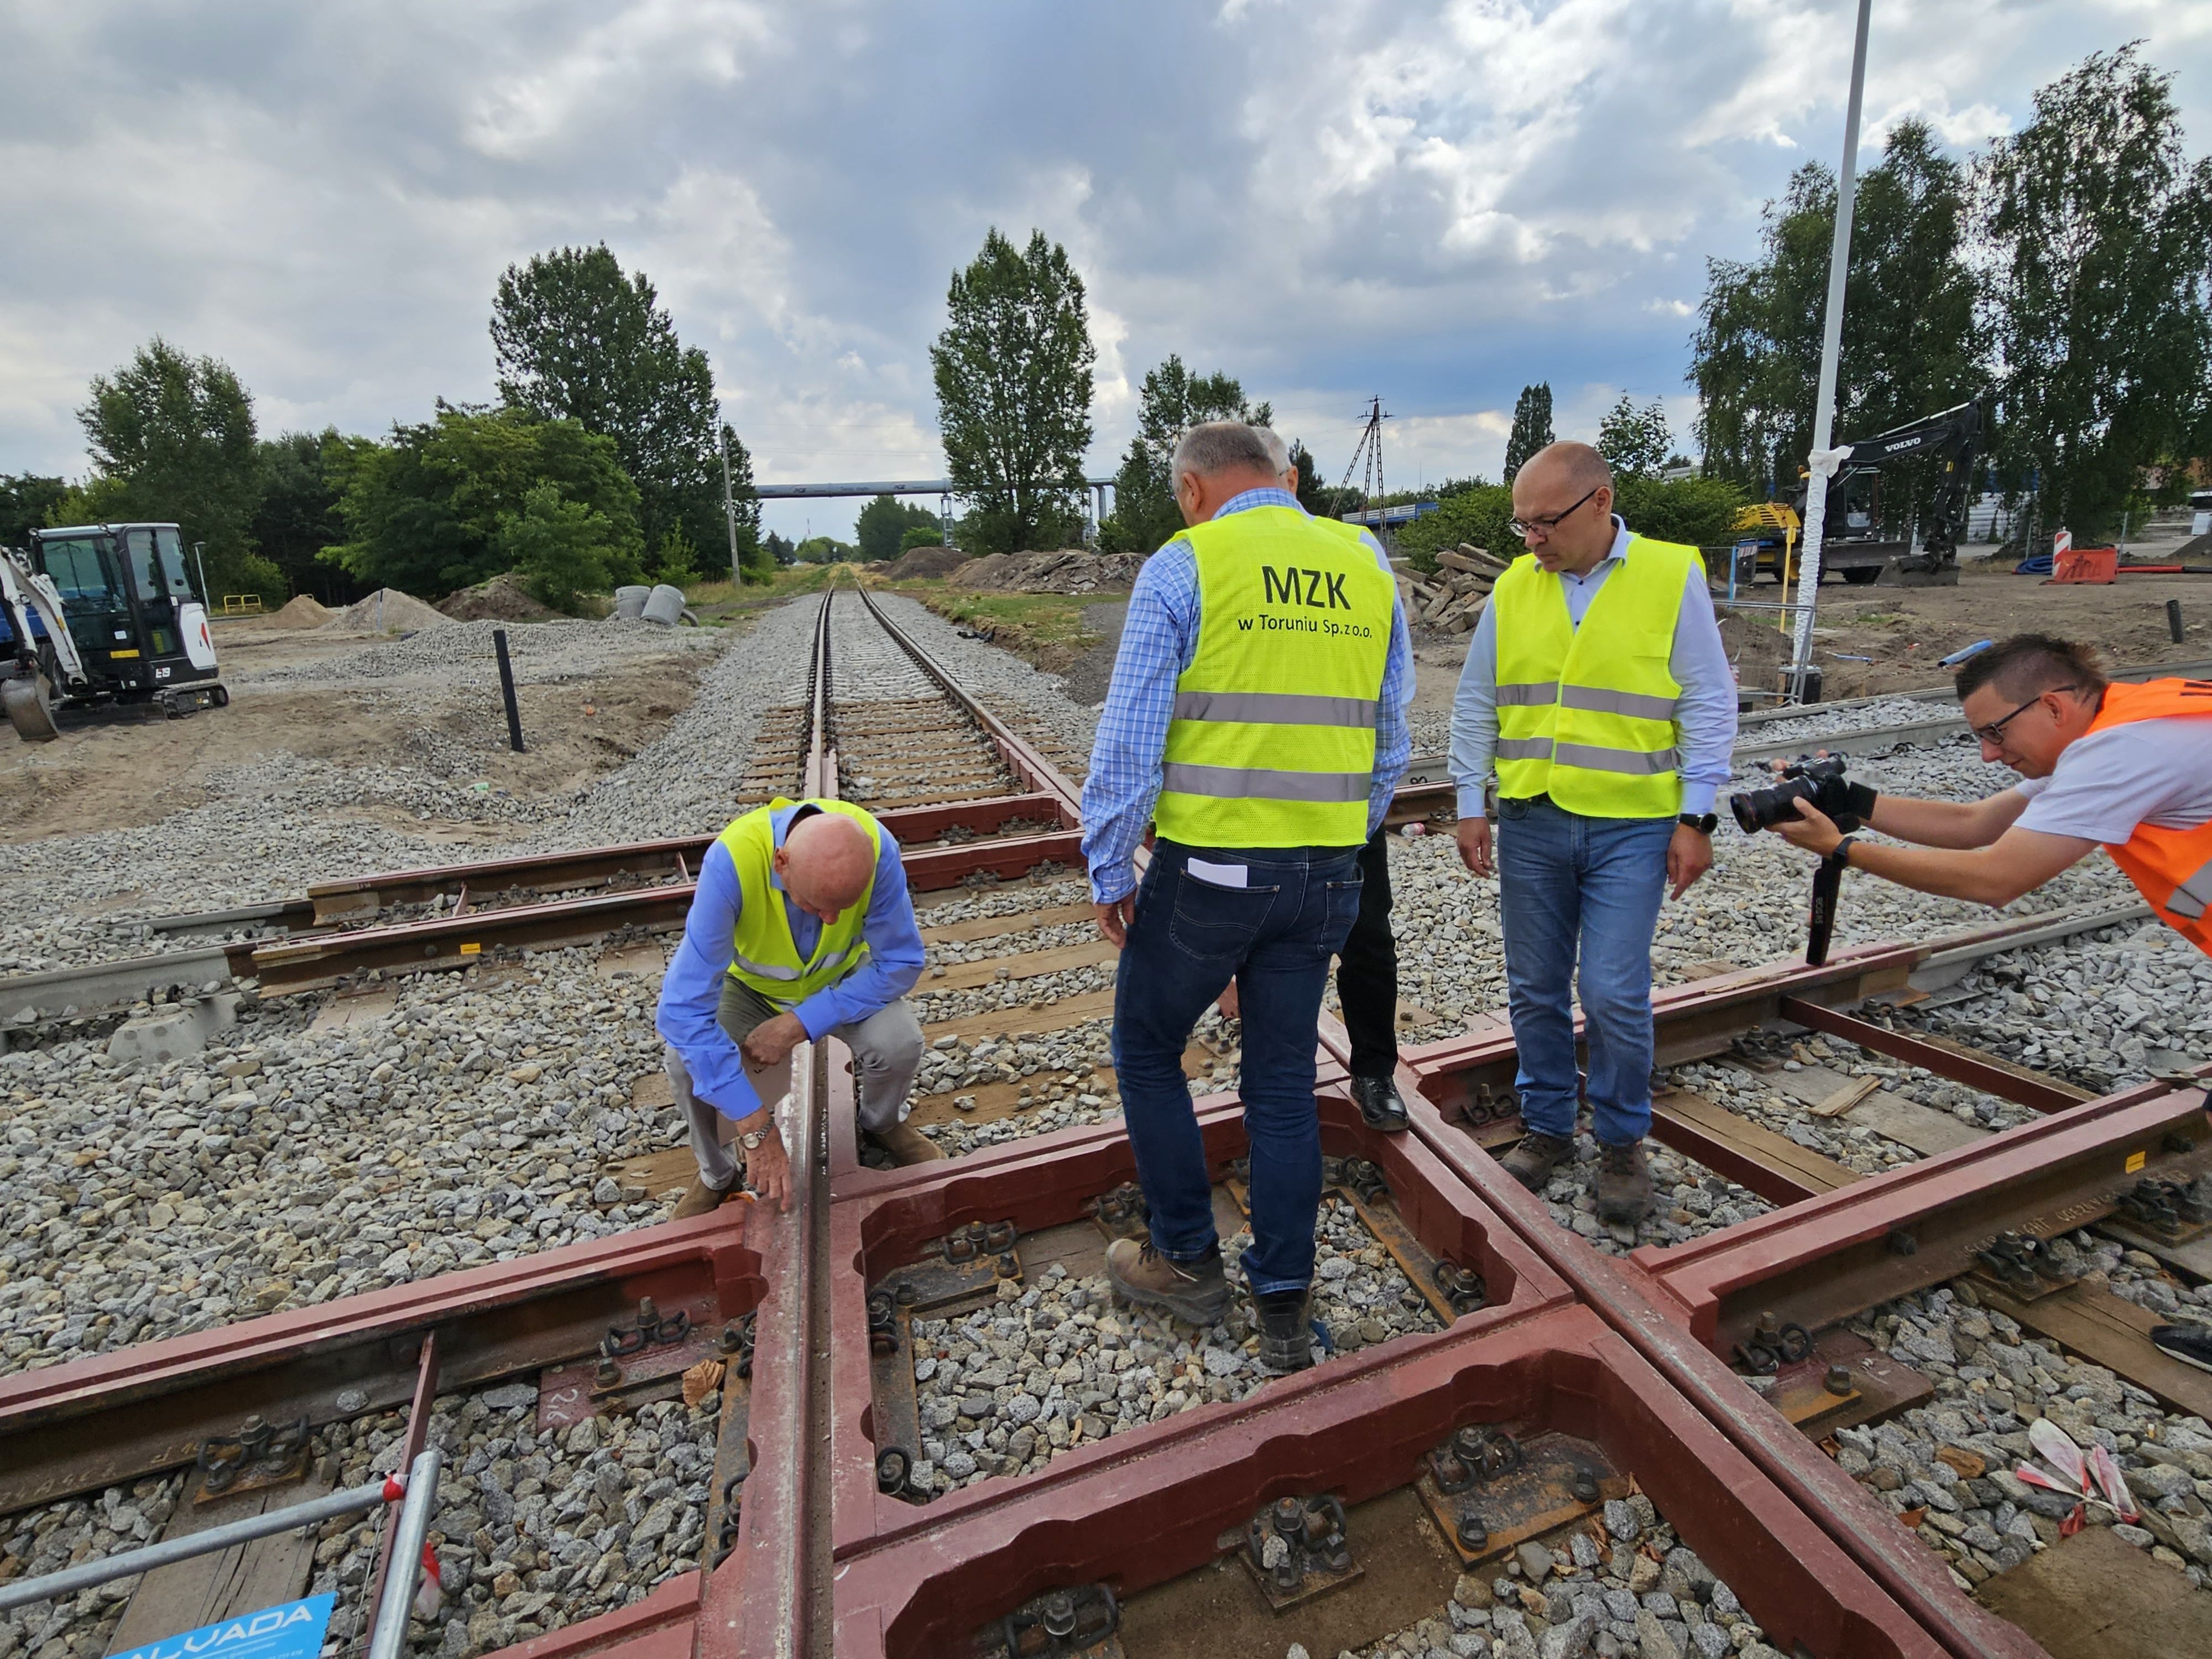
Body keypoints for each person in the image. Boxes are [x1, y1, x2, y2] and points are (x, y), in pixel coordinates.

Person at [1762, 633, 2212, 1374]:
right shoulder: (2121, 726)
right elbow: (1976, 825)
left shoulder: (2124, 752)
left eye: (1997, 734)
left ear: (2054, 705)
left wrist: (1840, 850)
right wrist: (1854, 805)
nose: (1987, 755)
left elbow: (1994, 878)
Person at [1083, 420, 1412, 1372]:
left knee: (1149, 1050)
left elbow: (1130, 738)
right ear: (1286, 479)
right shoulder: (1365, 561)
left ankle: (1187, 1259)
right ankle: (1283, 1303)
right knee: (1281, 1084)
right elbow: (1391, 738)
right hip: (1327, 873)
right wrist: (1342, 839)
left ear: (1191, 490)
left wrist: (1110, 868)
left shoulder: (1187, 564)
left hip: (1213, 876)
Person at [1449, 441, 1739, 1223]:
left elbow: (1707, 701)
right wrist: (1471, 801)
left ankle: (1619, 1138)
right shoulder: (1514, 586)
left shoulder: (1669, 574)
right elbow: (1477, 699)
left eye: (1546, 521)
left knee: (1612, 989)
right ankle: (1547, 1125)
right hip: (1532, 819)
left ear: (1601, 502)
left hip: (1632, 825)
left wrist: (1697, 816)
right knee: (1534, 986)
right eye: (1522, 524)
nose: (1532, 538)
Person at [1205, 426, 1408, 1132]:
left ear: (1290, 482)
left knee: (1365, 938)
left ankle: (1374, 1071)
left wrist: (1363, 816)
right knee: (1262, 942)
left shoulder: (1355, 553)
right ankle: (1271, 1083)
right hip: (1253, 803)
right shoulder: (1214, 557)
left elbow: (1390, 695)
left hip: (1341, 803)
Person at [654, 798, 936, 1218]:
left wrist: (801, 1022)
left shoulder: (877, 849)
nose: (830, 920)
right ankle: (718, 1173)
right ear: (780, 863)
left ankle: (882, 1124)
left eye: (842, 906)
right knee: (683, 1062)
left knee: (899, 1043)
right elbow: (682, 1011)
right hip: (752, 989)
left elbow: (900, 962)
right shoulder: (732, 861)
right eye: (815, 904)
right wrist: (753, 1124)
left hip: (840, 979)